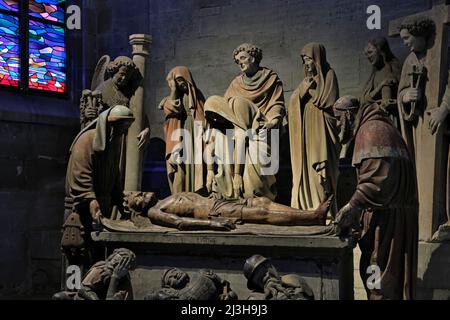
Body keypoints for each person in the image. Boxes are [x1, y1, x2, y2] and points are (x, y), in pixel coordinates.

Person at [333, 96, 418, 300]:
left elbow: (376, 181)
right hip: (394, 219)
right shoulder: (385, 129)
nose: (336, 125)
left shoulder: (371, 131)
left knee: (377, 279)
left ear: (348, 114)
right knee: (385, 279)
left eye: (337, 119)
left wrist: (352, 206)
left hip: (385, 225)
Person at [205, 43, 285, 200]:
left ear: (253, 58)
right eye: (237, 60)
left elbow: (277, 104)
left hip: (261, 128)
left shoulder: (270, 78)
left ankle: (259, 197)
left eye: (242, 58)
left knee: (254, 186)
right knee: (223, 145)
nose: (240, 62)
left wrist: (273, 121)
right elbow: (225, 108)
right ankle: (229, 194)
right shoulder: (236, 83)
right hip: (238, 130)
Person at [62, 105, 135, 266]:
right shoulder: (86, 141)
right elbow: (80, 173)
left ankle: (93, 288)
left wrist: (119, 198)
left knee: (97, 256)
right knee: (77, 254)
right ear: (109, 124)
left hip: (101, 208)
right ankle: (74, 290)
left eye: (126, 129)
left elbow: (114, 174)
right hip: (81, 208)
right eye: (121, 128)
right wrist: (91, 200)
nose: (123, 133)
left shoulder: (113, 143)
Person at [289, 43, 340, 216]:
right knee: (309, 170)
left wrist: (310, 92)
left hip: (323, 128)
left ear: (317, 59)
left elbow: (328, 101)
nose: (306, 63)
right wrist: (302, 91)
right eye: (304, 60)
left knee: (323, 171)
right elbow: (293, 102)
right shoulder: (305, 81)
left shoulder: (329, 75)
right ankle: (307, 209)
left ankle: (324, 211)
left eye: (309, 59)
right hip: (308, 130)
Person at [123, 191, 332, 232]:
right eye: (138, 199)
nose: (142, 194)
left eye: (138, 192)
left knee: (262, 201)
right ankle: (313, 217)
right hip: (215, 212)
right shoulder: (156, 211)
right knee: (262, 212)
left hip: (217, 201)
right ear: (139, 209)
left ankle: (309, 213)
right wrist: (213, 224)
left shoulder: (164, 198)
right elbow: (180, 223)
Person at [159, 66, 206, 194]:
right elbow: (172, 108)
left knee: (195, 164)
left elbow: (204, 117)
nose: (180, 84)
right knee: (180, 168)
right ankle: (178, 197)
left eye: (181, 80)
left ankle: (195, 195)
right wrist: (173, 89)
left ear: (188, 79)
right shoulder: (171, 100)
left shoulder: (198, 95)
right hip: (179, 134)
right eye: (177, 81)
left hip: (194, 133)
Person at [397, 17, 436, 162]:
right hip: (419, 124)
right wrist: (406, 96)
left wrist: (444, 108)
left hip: (439, 119)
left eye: (407, 38)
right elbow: (401, 91)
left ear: (418, 33)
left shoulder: (440, 52)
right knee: (422, 164)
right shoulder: (410, 60)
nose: (404, 43)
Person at [53, 248, 136, 300]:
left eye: (117, 265)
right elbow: (82, 289)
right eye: (113, 261)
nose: (111, 266)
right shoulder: (101, 268)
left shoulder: (124, 282)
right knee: (58, 297)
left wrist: (115, 277)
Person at [361, 37, 401, 128]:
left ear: (381, 51)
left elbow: (400, 93)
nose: (368, 57)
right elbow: (364, 100)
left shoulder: (393, 68)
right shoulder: (374, 74)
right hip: (374, 117)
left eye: (370, 52)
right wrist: (381, 85)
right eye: (366, 54)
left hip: (390, 118)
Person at [244, 254, 314, 300]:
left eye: (266, 273)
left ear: (271, 266)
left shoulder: (293, 280)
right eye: (261, 280)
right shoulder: (255, 298)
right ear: (257, 285)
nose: (267, 278)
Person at [144, 268, 237, 300]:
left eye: (174, 271)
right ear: (169, 287)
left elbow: (224, 284)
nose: (176, 274)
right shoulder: (175, 296)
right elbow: (149, 297)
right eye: (170, 278)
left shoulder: (203, 273)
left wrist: (226, 295)